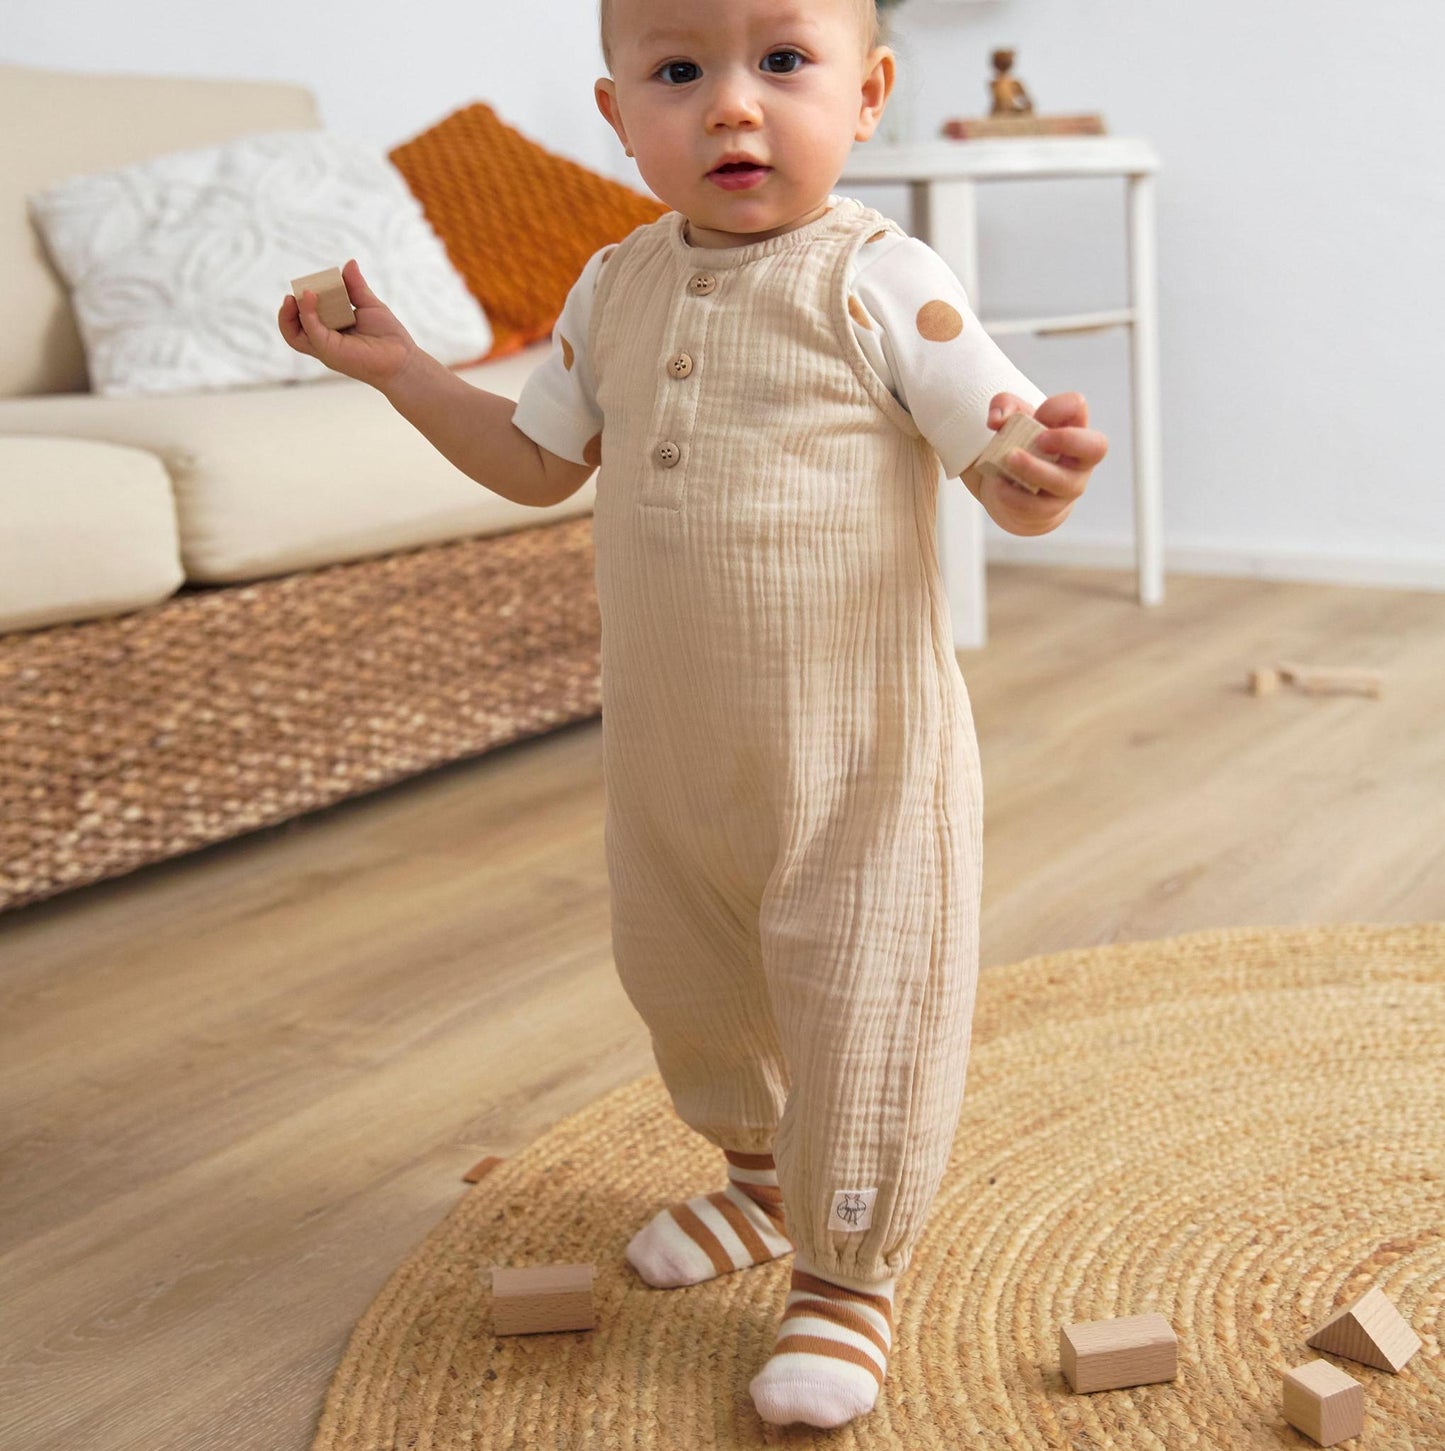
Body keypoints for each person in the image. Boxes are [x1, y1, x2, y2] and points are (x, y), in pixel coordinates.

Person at [279, 0, 1107, 1429]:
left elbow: (1003, 457)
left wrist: (1041, 469)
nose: (730, 106)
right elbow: (539, 464)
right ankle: (759, 1178)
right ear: (616, 115)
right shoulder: (614, 284)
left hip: (858, 760)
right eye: (678, 72)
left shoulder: (882, 276)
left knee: (860, 999)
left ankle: (847, 1273)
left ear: (867, 96)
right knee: (687, 980)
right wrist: (407, 369)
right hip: (669, 758)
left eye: (780, 62)